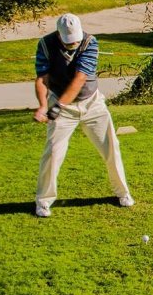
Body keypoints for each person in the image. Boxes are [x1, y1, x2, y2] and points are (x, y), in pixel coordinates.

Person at [32, 13, 133, 217]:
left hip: (92, 104)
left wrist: (57, 106)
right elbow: (42, 78)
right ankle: (43, 201)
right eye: (70, 41)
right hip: (61, 105)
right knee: (52, 152)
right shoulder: (45, 44)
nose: (74, 43)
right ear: (59, 35)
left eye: (76, 39)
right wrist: (43, 106)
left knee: (111, 148)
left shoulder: (90, 42)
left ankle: (122, 192)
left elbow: (79, 79)